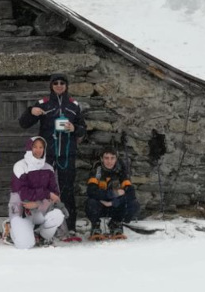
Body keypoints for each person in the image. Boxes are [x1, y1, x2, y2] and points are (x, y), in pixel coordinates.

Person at [18, 73, 86, 238]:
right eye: (55, 83)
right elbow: (23, 123)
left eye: (62, 82)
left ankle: (70, 227)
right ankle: (37, 225)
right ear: (51, 85)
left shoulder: (74, 105)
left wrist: (74, 129)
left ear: (66, 85)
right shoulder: (44, 103)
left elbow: (83, 128)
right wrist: (31, 111)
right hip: (47, 155)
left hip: (66, 154)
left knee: (67, 190)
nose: (59, 85)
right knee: (41, 189)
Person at [8, 136, 65, 249]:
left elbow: (55, 195)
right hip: (22, 210)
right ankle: (11, 230)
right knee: (25, 244)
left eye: (41, 147)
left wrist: (38, 203)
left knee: (57, 215)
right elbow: (24, 194)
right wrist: (47, 194)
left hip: (40, 209)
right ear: (29, 148)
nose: (38, 150)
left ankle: (42, 236)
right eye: (35, 147)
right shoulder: (20, 166)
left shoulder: (48, 168)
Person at [86, 146, 140, 238]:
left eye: (112, 158)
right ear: (102, 159)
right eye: (106, 158)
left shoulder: (121, 171)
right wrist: (113, 194)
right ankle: (95, 225)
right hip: (101, 205)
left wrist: (114, 202)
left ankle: (116, 223)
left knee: (134, 204)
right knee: (91, 203)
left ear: (116, 159)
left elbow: (131, 193)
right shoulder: (97, 171)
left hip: (116, 206)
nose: (109, 161)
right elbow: (91, 191)